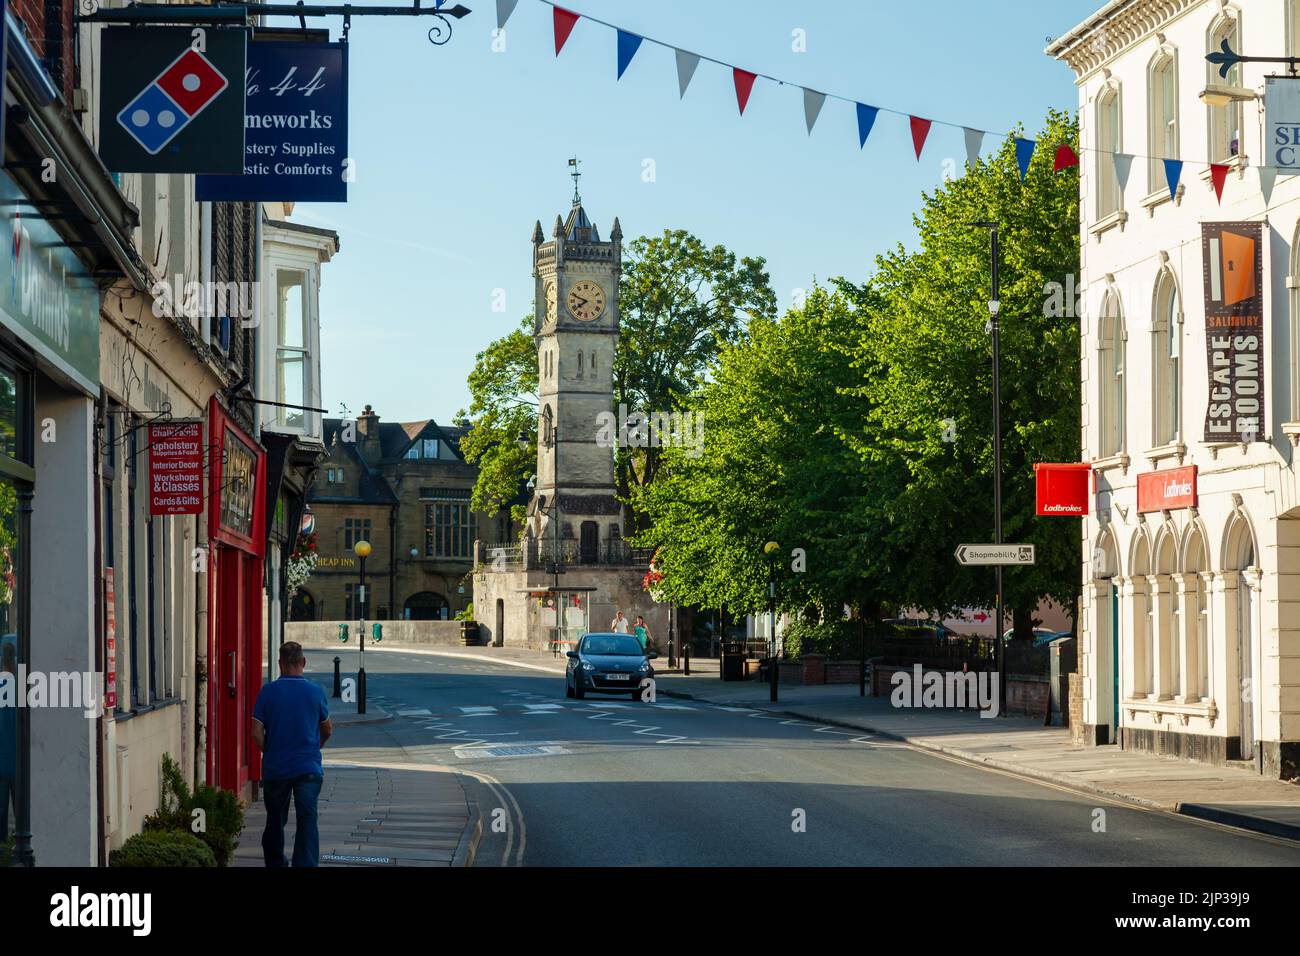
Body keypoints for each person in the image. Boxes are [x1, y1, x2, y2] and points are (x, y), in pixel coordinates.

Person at [252, 642, 332, 867]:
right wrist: (316, 747)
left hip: (276, 768)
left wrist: (270, 751)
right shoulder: (316, 692)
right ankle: (304, 863)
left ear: (280, 664)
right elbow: (327, 729)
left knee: (275, 819)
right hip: (308, 767)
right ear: (303, 662)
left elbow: (256, 733)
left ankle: (276, 862)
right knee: (307, 817)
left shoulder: (267, 692)